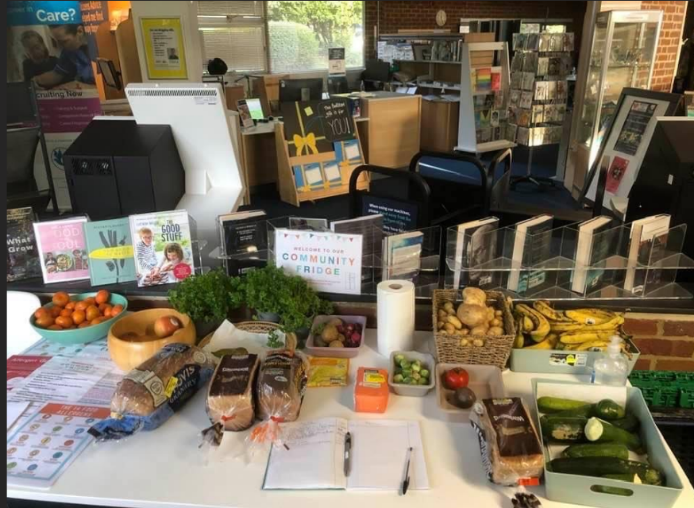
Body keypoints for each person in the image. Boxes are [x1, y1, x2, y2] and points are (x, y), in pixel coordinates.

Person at [33, 24, 95, 89]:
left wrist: (81, 86)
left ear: (80, 31)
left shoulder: (101, 44)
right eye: (56, 41)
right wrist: (36, 80)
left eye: (64, 42)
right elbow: (57, 74)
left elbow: (106, 87)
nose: (60, 46)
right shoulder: (69, 51)